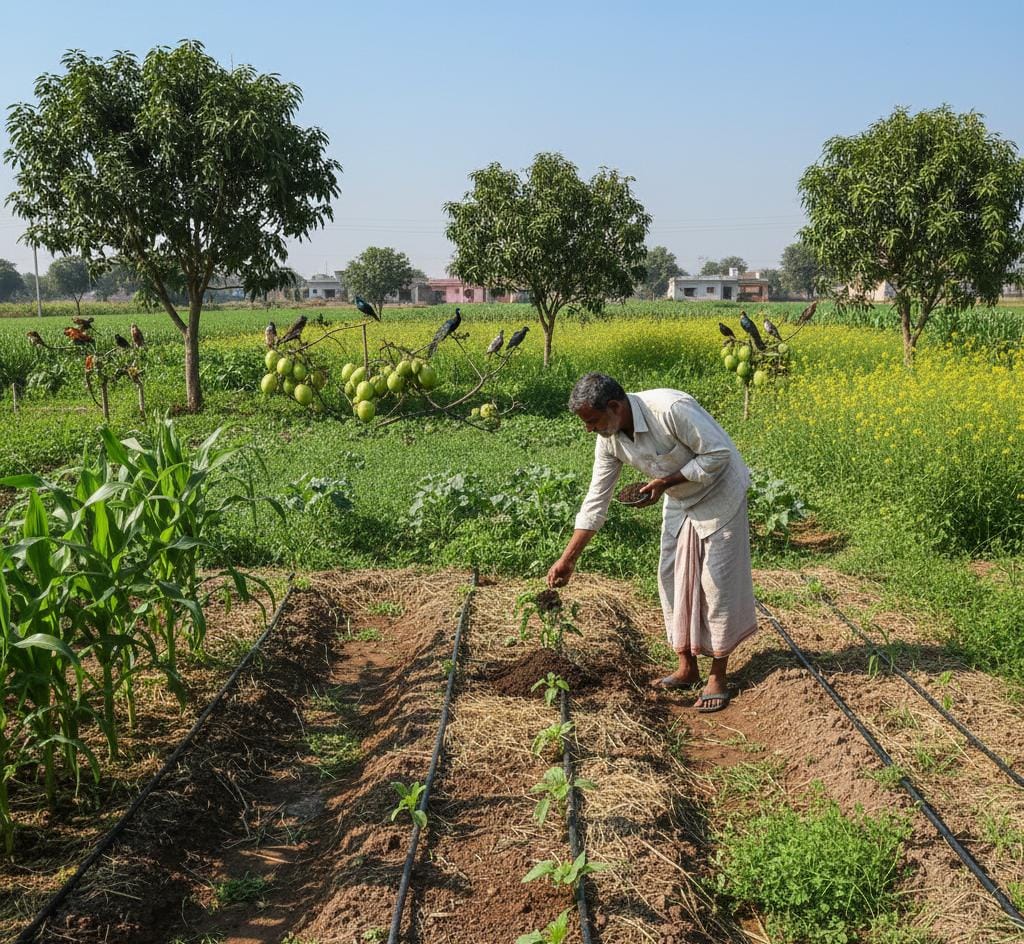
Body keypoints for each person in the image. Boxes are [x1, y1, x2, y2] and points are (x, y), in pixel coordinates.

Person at [546, 373, 757, 712]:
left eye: (592, 421)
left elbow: (718, 455)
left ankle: (718, 674)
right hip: (679, 496)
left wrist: (665, 481)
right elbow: (596, 500)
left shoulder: (670, 408)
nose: (589, 429)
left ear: (614, 406)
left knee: (717, 582)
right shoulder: (610, 437)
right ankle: (686, 667)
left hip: (720, 492)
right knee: (671, 575)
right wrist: (568, 558)